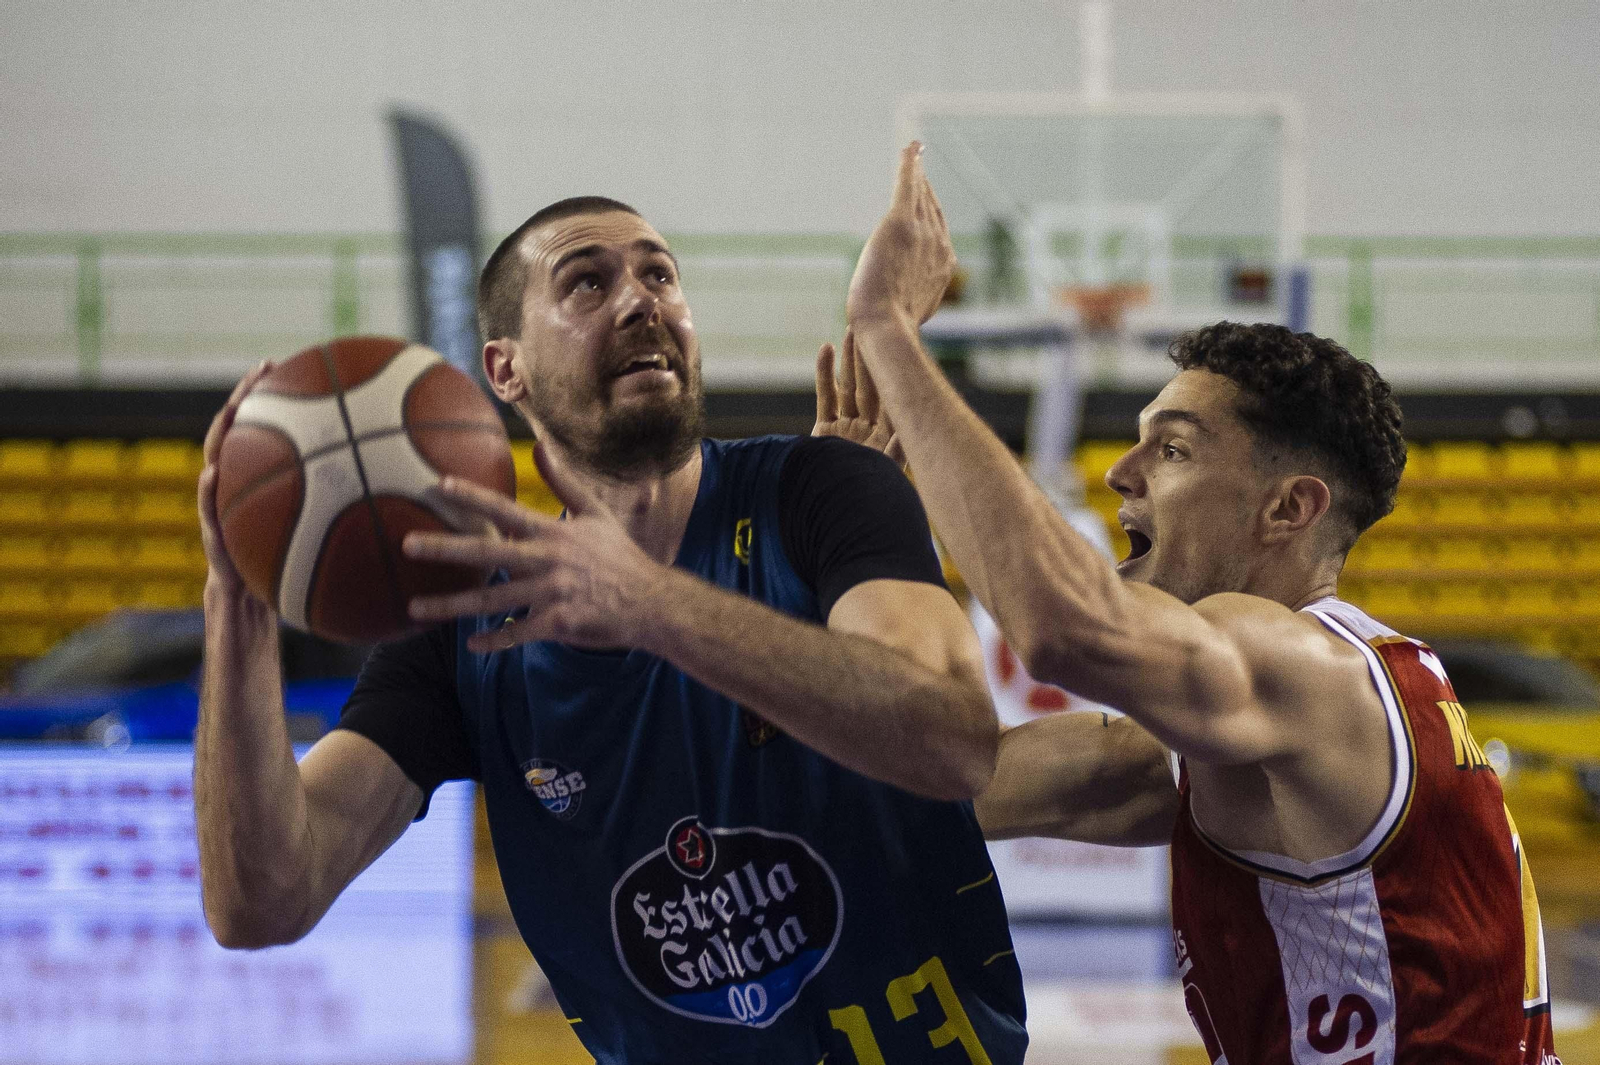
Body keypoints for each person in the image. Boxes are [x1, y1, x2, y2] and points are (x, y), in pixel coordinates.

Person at [193, 195, 1028, 1064]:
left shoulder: (819, 490)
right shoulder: (465, 626)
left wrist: (651, 605)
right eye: (587, 282)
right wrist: (238, 603)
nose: (642, 300)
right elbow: (262, 900)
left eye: (660, 273)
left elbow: (956, 739)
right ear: (503, 370)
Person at [836, 143, 1557, 1065]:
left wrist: (888, 329)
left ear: (1288, 508)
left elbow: (1061, 627)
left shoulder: (1300, 664)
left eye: (1171, 450)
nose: (1119, 472)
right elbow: (931, 780)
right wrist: (846, 532)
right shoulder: (1256, 739)